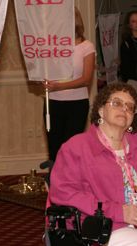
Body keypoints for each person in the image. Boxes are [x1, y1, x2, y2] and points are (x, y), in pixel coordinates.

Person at [49, 82, 137, 246]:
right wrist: (119, 212)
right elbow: (63, 193)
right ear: (101, 110)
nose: (124, 109)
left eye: (130, 106)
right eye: (116, 103)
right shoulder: (77, 148)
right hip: (102, 227)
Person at [43, 7, 96, 162]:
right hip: (52, 103)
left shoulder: (87, 46)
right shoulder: (52, 45)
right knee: (54, 149)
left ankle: (73, 184)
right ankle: (54, 183)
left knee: (72, 150)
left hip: (77, 105)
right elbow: (45, 69)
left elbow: (86, 79)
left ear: (76, 21)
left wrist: (59, 86)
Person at [119, 11, 137, 87]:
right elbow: (126, 69)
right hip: (133, 82)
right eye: (133, 21)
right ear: (129, 24)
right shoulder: (126, 43)